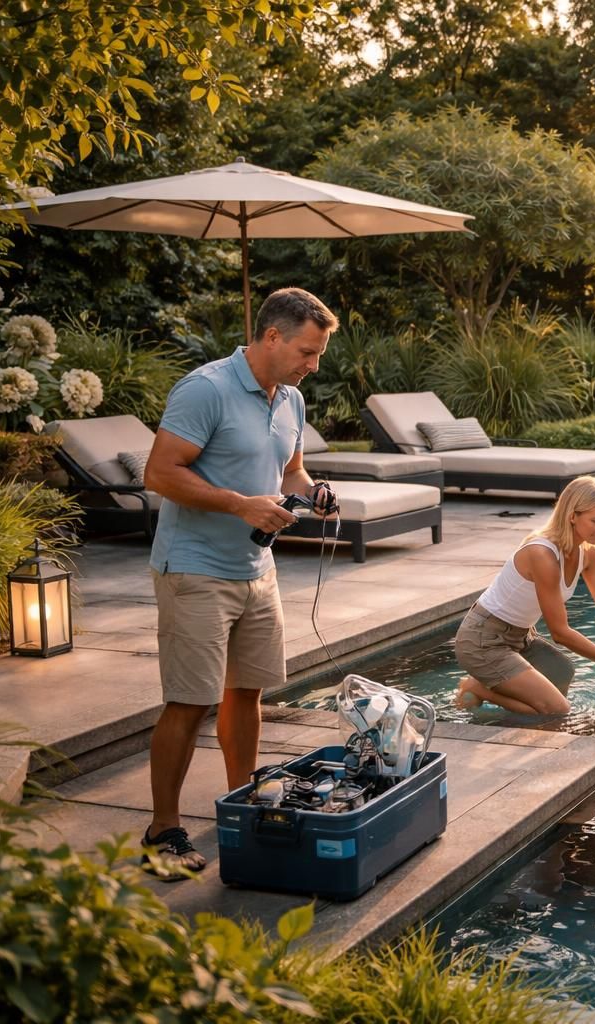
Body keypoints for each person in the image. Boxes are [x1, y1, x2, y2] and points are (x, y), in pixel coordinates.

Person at [139, 287, 339, 878]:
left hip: (258, 570)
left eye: (318, 354)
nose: (313, 365)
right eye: (307, 351)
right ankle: (162, 830)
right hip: (195, 567)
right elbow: (159, 473)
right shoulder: (206, 389)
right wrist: (239, 504)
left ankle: (243, 803)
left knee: (246, 692)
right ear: (272, 336)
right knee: (189, 700)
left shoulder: (291, 398)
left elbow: (290, 471)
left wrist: (313, 492)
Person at [455, 475, 595, 715]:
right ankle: (478, 688)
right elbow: (560, 633)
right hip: (483, 641)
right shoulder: (543, 555)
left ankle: (502, 700)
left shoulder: (587, 554)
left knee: (561, 673)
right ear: (572, 516)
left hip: (520, 637)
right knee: (557, 710)